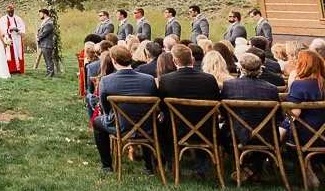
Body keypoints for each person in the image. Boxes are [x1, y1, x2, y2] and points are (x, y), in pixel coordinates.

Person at [92, 45, 159, 174]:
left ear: (114, 61)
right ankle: (149, 166)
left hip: (120, 126)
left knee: (97, 122)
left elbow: (105, 107)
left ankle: (106, 165)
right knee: (142, 118)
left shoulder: (106, 81)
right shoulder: (149, 80)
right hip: (147, 126)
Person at [158, 43, 220, 178]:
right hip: (206, 129)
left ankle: (173, 165)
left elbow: (162, 106)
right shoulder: (209, 79)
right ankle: (201, 169)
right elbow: (217, 102)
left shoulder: (166, 80)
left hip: (175, 129)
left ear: (174, 61)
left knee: (161, 127)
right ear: (192, 60)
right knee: (202, 120)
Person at [223, 52, 281, 183]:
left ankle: (248, 167)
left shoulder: (229, 86)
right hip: (266, 135)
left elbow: (225, 114)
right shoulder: (271, 89)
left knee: (223, 133)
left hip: (238, 134)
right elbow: (277, 116)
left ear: (241, 68)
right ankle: (253, 168)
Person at [281, 49, 325, 187]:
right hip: (322, 132)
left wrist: (283, 128)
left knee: (291, 137)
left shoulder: (299, 85)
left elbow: (294, 114)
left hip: (306, 134)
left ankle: (309, 173)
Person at [0, 5, 26, 75]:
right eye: (9, 12)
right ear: (7, 12)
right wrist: (9, 30)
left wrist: (17, 30)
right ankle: (11, 69)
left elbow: (23, 29)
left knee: (18, 53)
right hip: (9, 38)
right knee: (9, 54)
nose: (10, 13)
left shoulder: (18, 19)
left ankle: (18, 68)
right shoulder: (3, 19)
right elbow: (0, 30)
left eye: (12, 12)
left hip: (17, 39)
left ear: (13, 11)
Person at [37, 8, 57, 78]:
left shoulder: (49, 23)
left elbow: (44, 32)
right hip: (44, 44)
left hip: (47, 44)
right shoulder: (45, 22)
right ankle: (49, 72)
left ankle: (51, 73)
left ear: (45, 14)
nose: (39, 15)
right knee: (47, 59)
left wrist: (38, 38)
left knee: (48, 59)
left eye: (40, 14)